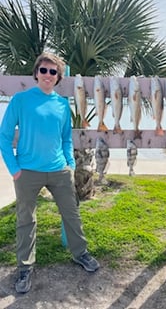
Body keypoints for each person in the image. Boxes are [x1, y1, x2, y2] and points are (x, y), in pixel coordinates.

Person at [0, 53, 100, 294]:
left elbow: (66, 138)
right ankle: (25, 267)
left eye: (53, 72)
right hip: (27, 172)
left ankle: (80, 253)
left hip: (59, 171)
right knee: (26, 221)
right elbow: (4, 137)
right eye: (43, 70)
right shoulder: (20, 100)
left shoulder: (62, 104)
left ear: (58, 77)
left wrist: (70, 165)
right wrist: (14, 169)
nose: (47, 75)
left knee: (72, 215)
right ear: (36, 73)